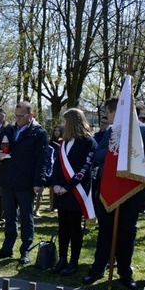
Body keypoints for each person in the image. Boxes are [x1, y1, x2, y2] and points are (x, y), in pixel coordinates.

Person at [83, 97, 145, 289]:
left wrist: (132, 158)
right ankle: (98, 269)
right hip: (109, 186)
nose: (108, 117)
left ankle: (125, 272)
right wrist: (115, 155)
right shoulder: (110, 131)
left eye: (109, 113)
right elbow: (98, 155)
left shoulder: (144, 131)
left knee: (126, 231)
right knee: (105, 230)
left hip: (132, 188)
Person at [0, 102, 49, 264]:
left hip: (26, 181)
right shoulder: (9, 129)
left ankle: (25, 250)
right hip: (8, 179)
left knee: (26, 217)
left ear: (30, 116)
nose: (17, 119)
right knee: (9, 217)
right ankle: (7, 248)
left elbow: (42, 159)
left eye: (21, 116)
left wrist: (39, 181)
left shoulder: (38, 133)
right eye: (15, 116)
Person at [50, 109, 97, 276]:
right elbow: (57, 166)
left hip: (76, 191)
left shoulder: (88, 142)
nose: (63, 125)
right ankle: (62, 259)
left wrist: (67, 187)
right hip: (60, 191)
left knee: (75, 228)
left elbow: (85, 168)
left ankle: (73, 261)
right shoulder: (64, 142)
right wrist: (55, 184)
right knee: (63, 227)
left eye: (65, 122)